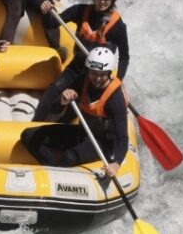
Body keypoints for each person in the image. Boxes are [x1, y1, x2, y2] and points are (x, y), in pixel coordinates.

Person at [33, 0, 130, 121]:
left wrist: (118, 80)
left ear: (112, 0)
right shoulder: (80, 11)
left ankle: (63, 127)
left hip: (98, 76)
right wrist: (47, 13)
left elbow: (124, 56)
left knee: (74, 109)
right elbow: (51, 24)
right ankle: (36, 123)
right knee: (52, 93)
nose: (102, 1)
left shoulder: (117, 26)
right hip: (76, 67)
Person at [21, 46, 128, 178]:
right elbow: (54, 108)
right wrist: (62, 101)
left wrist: (116, 163)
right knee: (28, 136)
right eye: (93, 73)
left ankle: (53, 175)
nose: (97, 78)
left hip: (102, 143)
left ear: (109, 73)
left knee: (69, 157)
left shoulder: (115, 98)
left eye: (102, 74)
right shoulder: (84, 81)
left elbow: (123, 138)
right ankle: (53, 168)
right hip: (82, 134)